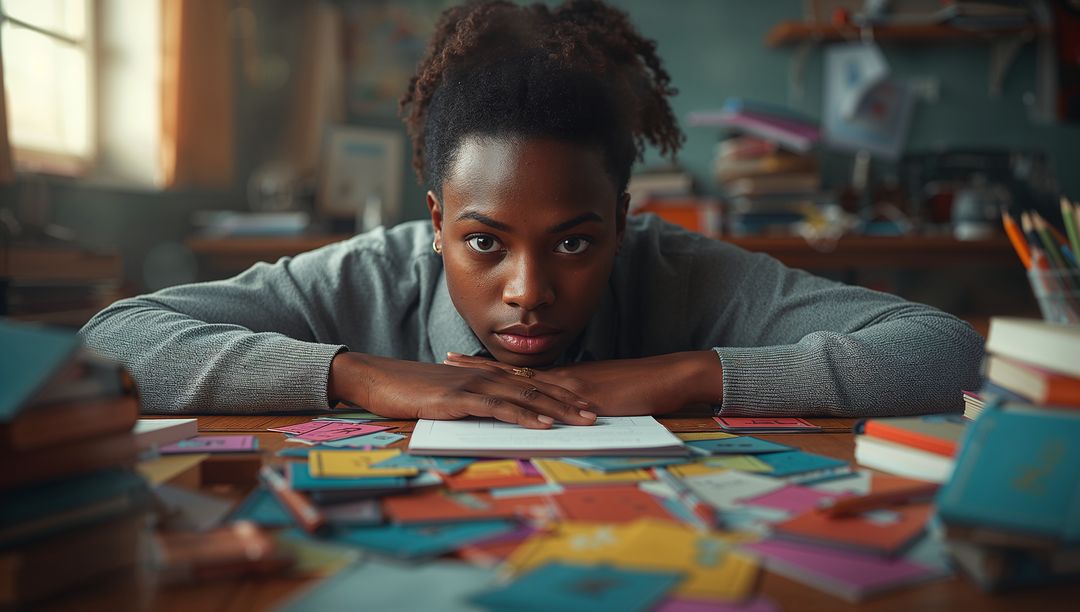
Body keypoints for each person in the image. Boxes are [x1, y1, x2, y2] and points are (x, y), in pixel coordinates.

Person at [80, 0, 983, 428]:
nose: (530, 291)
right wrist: (357, 374)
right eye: (482, 242)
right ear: (434, 222)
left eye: (576, 242)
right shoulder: (369, 274)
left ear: (622, 222)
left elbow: (947, 353)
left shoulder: (679, 271)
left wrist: (678, 376)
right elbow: (109, 341)